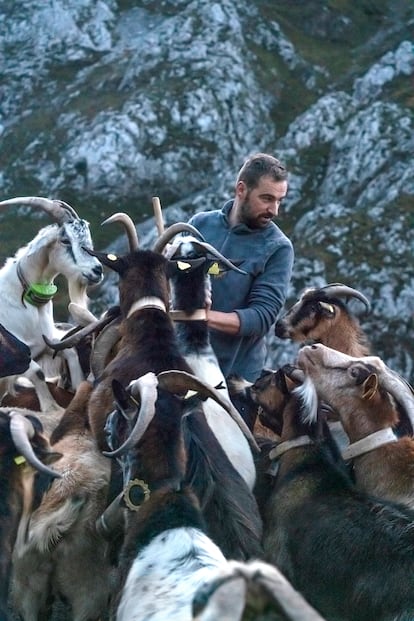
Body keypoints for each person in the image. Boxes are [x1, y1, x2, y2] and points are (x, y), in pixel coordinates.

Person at [188, 152, 294, 382]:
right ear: (241, 190)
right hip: (182, 367)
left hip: (234, 381)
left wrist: (200, 316)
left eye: (279, 200)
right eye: (267, 198)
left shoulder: (278, 248)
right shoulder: (200, 225)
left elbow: (261, 317)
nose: (274, 210)